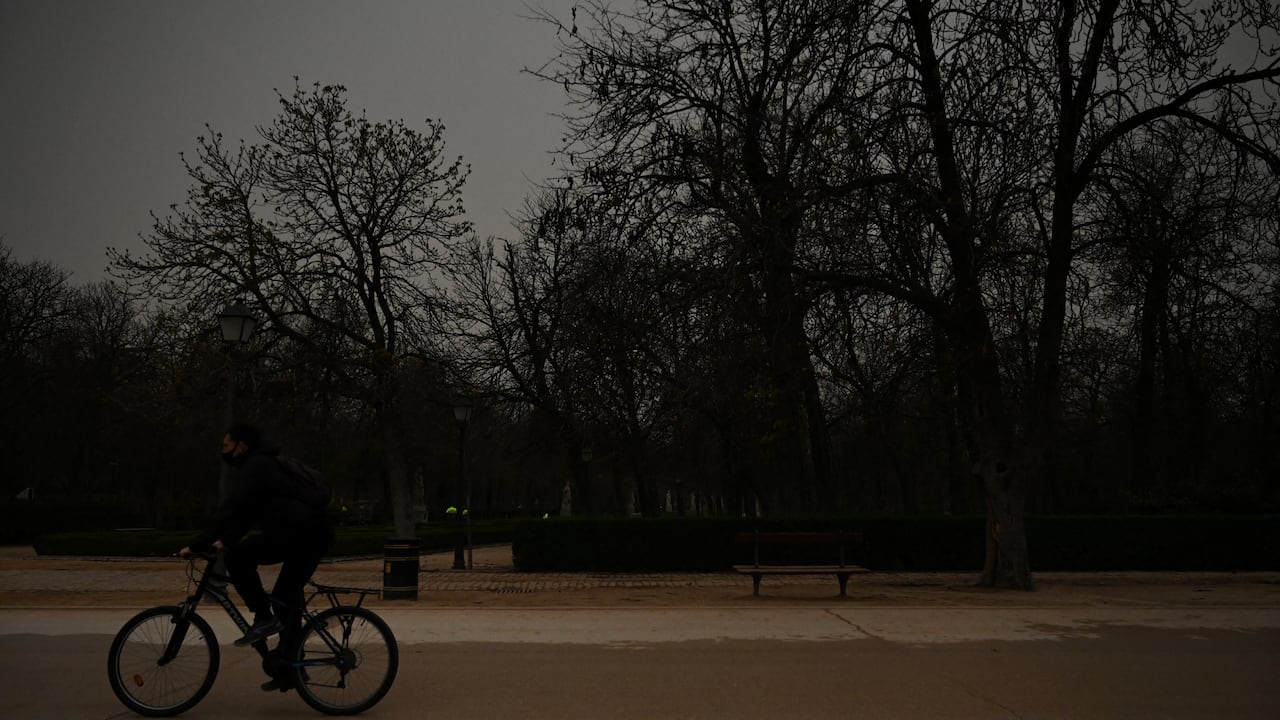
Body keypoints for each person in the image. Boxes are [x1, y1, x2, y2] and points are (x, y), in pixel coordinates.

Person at [179, 422, 334, 691]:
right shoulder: (262, 467)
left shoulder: (257, 466)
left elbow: (231, 509)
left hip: (304, 537)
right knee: (286, 597)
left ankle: (263, 619)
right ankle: (289, 667)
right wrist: (222, 541)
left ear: (241, 446)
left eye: (226, 446)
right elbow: (245, 515)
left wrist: (196, 544)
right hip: (301, 535)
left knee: (239, 559)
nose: (223, 451)